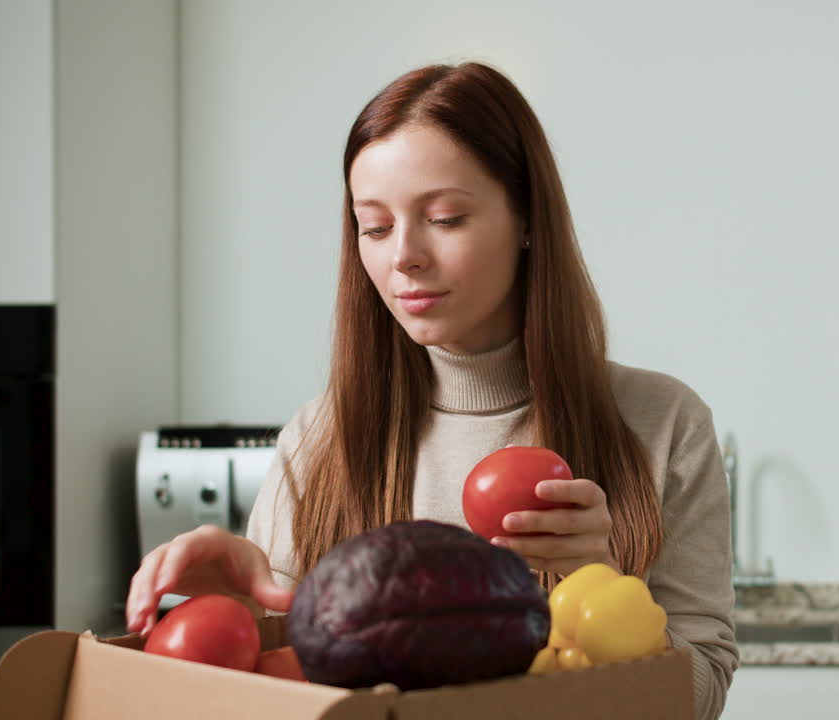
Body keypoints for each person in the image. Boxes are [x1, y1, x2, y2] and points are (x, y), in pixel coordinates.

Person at [125, 62, 738, 719]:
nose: (403, 257)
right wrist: (243, 602)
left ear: (528, 219)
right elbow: (280, 683)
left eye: (444, 218)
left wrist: (605, 587)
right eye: (376, 227)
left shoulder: (664, 425)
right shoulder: (320, 437)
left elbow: (698, 699)